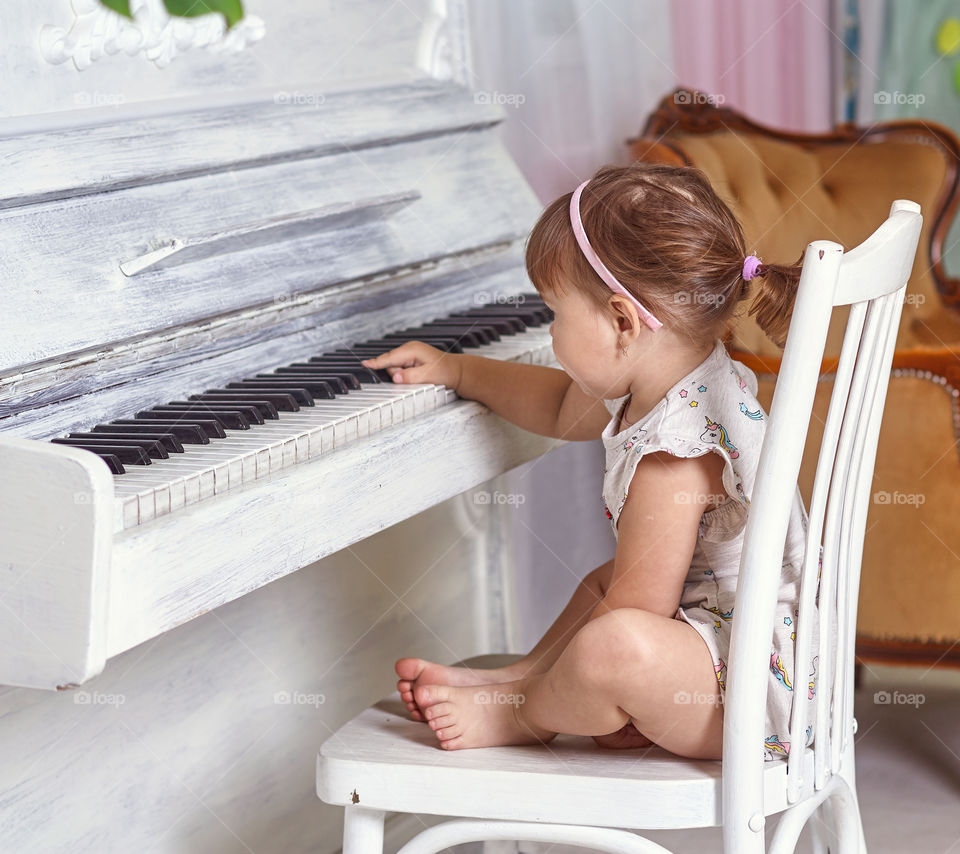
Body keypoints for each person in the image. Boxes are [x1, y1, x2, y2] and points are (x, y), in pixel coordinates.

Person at [360, 162, 819, 761]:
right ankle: (519, 676)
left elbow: (637, 616)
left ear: (623, 321)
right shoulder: (679, 371)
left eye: (554, 313)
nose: (551, 331)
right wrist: (459, 370)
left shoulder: (673, 454)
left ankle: (524, 712)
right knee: (606, 584)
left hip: (756, 701)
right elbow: (557, 405)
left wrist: (608, 691)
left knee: (612, 646)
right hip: (728, 648)